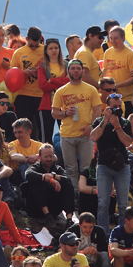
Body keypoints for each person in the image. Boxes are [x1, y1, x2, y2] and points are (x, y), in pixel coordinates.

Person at [52, 59, 102, 193]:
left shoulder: (91, 89)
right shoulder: (61, 91)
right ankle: (74, 195)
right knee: (70, 168)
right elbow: (54, 113)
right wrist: (65, 113)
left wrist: (90, 126)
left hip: (86, 135)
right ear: (68, 71)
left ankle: (85, 195)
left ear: (82, 71)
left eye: (78, 69)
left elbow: (97, 110)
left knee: (86, 168)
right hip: (67, 134)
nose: (75, 71)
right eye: (73, 68)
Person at [91, 93, 133, 229]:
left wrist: (117, 126)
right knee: (103, 203)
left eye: (119, 106)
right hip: (104, 166)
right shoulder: (99, 121)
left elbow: (127, 142)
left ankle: (122, 233)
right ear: (107, 107)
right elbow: (93, 137)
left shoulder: (125, 122)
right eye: (114, 107)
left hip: (122, 167)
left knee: (123, 204)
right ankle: (103, 233)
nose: (118, 109)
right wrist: (106, 120)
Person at [24, 144, 74, 226]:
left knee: (68, 185)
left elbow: (67, 178)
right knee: (36, 182)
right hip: (36, 208)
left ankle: (69, 219)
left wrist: (54, 176)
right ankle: (47, 215)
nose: (48, 159)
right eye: (46, 157)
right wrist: (46, 178)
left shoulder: (58, 169)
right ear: (40, 157)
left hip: (54, 207)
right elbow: (28, 174)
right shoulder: (36, 167)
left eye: (51, 157)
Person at [10, 26, 45, 138]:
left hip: (41, 95)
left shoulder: (46, 51)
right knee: (23, 128)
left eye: (37, 45)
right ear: (26, 39)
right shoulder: (19, 53)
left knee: (40, 129)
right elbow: (11, 75)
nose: (34, 48)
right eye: (31, 45)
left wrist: (41, 73)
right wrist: (24, 73)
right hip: (23, 95)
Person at [37, 38, 69, 143]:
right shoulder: (42, 67)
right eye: (51, 48)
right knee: (45, 139)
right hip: (47, 106)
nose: (54, 50)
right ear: (46, 51)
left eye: (56, 48)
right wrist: (61, 82)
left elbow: (69, 82)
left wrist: (53, 80)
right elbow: (43, 86)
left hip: (64, 106)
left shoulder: (66, 65)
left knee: (66, 137)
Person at [103, 25, 133, 115]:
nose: (113, 41)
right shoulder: (108, 52)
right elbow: (105, 71)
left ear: (123, 38)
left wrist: (117, 85)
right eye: (111, 38)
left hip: (126, 98)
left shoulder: (131, 54)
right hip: (112, 99)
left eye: (116, 38)